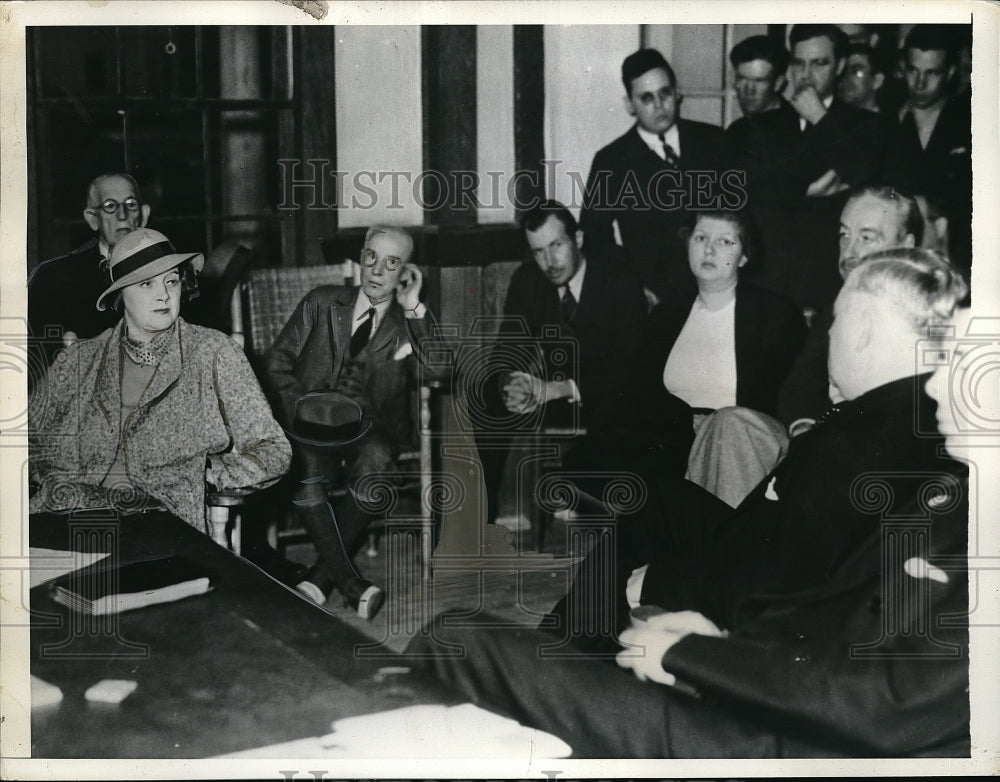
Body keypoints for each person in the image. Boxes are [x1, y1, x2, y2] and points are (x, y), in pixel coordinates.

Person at [411, 249, 971, 758]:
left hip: (760, 709)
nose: (829, 332)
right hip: (757, 599)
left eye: (837, 319)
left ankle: (561, 670)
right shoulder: (905, 426)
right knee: (644, 509)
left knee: (454, 637)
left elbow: (779, 591)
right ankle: (567, 653)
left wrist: (674, 602)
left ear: (866, 327)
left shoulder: (861, 442)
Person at [29, 228, 291, 536]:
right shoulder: (81, 359)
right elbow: (24, 438)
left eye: (172, 280)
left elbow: (274, 451)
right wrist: (46, 475)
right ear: (119, 294)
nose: (164, 294)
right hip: (66, 514)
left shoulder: (214, 353)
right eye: (146, 283)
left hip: (160, 521)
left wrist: (208, 474)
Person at [261, 225, 444, 618]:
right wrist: (299, 410)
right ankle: (347, 581)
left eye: (392, 263)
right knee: (304, 464)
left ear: (406, 273)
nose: (377, 271)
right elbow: (276, 363)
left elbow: (441, 371)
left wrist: (413, 306)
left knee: (377, 460)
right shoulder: (322, 302)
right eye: (371, 257)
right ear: (360, 258)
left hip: (371, 429)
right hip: (306, 426)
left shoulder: (407, 322)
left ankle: (322, 578)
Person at [469, 201, 648, 527]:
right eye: (538, 251)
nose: (549, 262)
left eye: (557, 245)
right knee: (486, 401)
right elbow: (506, 352)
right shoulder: (528, 281)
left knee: (619, 416)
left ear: (577, 239)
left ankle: (619, 529)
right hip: (553, 397)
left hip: (611, 397)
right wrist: (513, 384)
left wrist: (557, 388)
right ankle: (477, 529)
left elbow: (629, 368)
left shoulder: (619, 279)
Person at [636, 210, 805, 507]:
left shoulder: (776, 315)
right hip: (675, 445)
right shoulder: (664, 316)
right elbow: (638, 396)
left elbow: (793, 395)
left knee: (728, 426)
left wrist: (715, 427)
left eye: (725, 241)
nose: (709, 249)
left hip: (746, 446)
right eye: (700, 238)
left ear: (744, 256)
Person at [737, 24, 884, 312]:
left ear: (839, 65)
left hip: (832, 286)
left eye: (819, 63)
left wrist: (820, 118)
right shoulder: (760, 126)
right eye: (798, 63)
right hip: (769, 284)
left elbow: (864, 178)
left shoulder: (865, 125)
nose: (805, 74)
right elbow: (746, 187)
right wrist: (807, 189)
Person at [580, 48, 730, 305]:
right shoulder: (611, 161)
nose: (659, 106)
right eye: (647, 98)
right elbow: (595, 238)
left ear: (677, 93)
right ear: (630, 105)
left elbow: (740, 213)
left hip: (720, 289)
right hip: (654, 299)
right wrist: (632, 288)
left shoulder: (714, 141)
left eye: (665, 93)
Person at [777, 185, 924, 430]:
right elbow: (800, 386)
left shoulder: (930, 312)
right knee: (736, 425)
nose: (849, 251)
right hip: (827, 442)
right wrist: (804, 429)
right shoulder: (834, 309)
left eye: (866, 238)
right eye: (844, 235)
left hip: (887, 449)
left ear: (905, 247)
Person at [28, 173, 151, 375]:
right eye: (110, 206)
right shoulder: (55, 279)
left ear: (143, 215)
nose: (122, 215)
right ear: (93, 219)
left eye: (130, 205)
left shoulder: (169, 276)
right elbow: (42, 361)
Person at [883, 24, 971, 273]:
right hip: (899, 259)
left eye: (931, 73)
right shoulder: (886, 122)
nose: (920, 83)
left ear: (950, 72)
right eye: (913, 70)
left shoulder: (969, 123)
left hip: (957, 259)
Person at [729, 35, 789, 119]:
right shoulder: (739, 127)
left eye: (759, 81)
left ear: (778, 84)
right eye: (742, 79)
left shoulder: (797, 126)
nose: (749, 89)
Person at [837, 43, 887, 113]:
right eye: (843, 72)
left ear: (877, 81)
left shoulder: (888, 122)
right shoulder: (830, 120)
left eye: (856, 72)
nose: (846, 79)